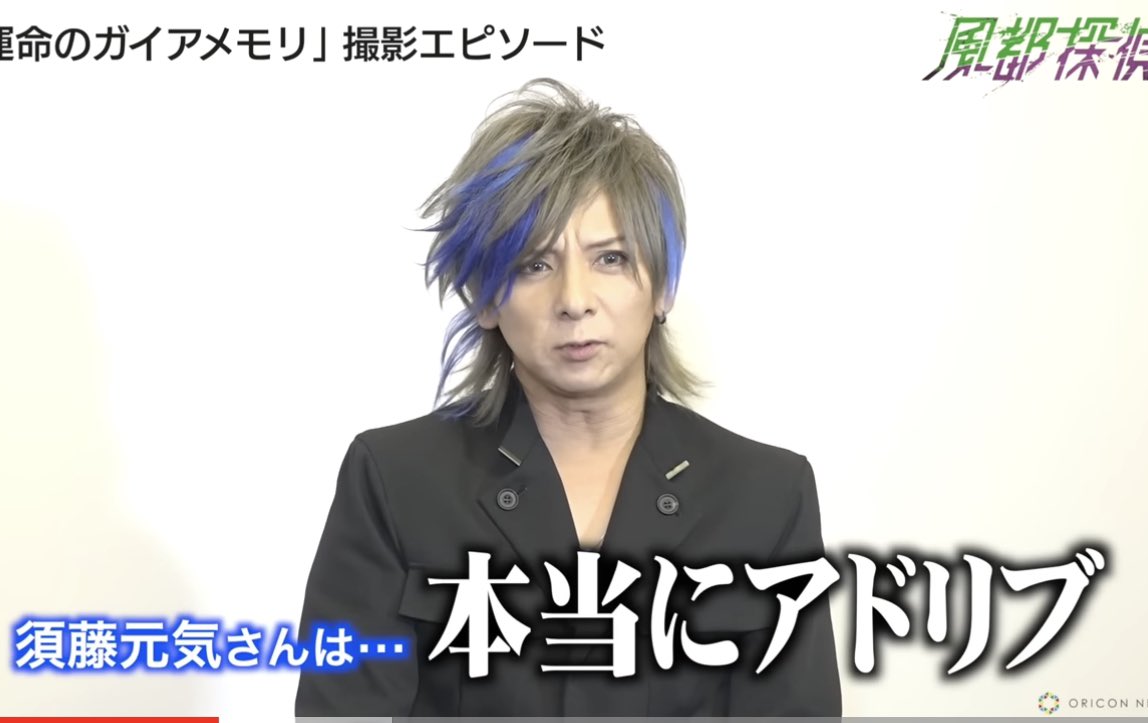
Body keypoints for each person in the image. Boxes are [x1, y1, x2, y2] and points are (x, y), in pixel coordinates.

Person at [294, 77, 842, 716]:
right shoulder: (394, 479)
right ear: (486, 299)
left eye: (610, 259)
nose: (575, 300)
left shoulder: (766, 494)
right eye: (534, 264)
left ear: (662, 286)